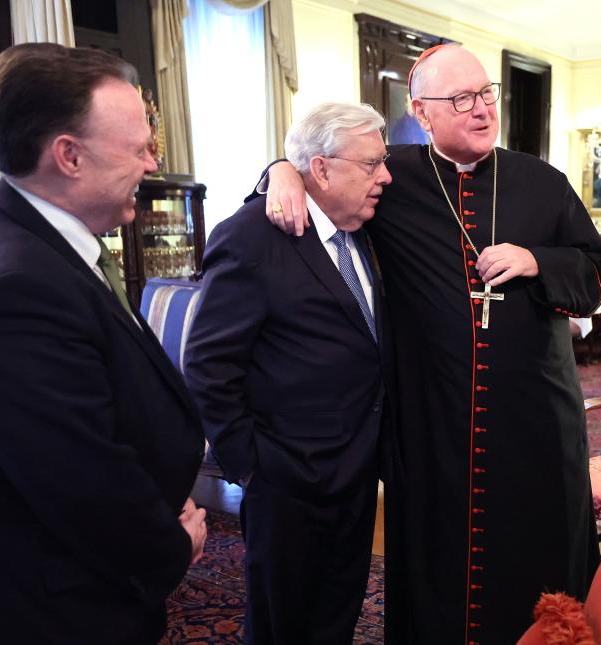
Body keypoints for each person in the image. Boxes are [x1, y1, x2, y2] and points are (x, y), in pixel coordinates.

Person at [260, 44, 601, 644]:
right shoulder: (389, 176)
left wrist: (538, 260)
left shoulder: (542, 183)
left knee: (538, 563)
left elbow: (599, 275)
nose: (480, 110)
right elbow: (320, 171)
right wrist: (282, 172)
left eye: (485, 95)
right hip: (431, 425)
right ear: (421, 114)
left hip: (534, 425)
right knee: (436, 568)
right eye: (460, 100)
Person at [0, 43, 206, 644]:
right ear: (68, 156)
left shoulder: (6, 232)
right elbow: (79, 478)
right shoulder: (16, 285)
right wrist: (170, 545)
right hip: (61, 607)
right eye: (139, 149)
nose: (153, 165)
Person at [183, 102, 394, 645]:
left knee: (336, 615)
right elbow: (208, 365)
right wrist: (252, 466)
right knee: (284, 624)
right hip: (286, 481)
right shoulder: (252, 237)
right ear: (321, 169)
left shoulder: (363, 229)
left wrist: (278, 166)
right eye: (371, 165)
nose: (385, 176)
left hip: (355, 470)